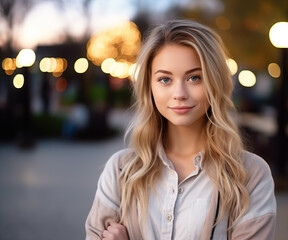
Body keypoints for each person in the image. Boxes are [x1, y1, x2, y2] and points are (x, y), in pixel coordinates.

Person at [85, 19, 276, 240]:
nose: (179, 93)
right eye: (165, 79)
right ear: (150, 87)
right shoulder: (120, 171)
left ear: (215, 82)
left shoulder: (250, 175)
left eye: (194, 77)